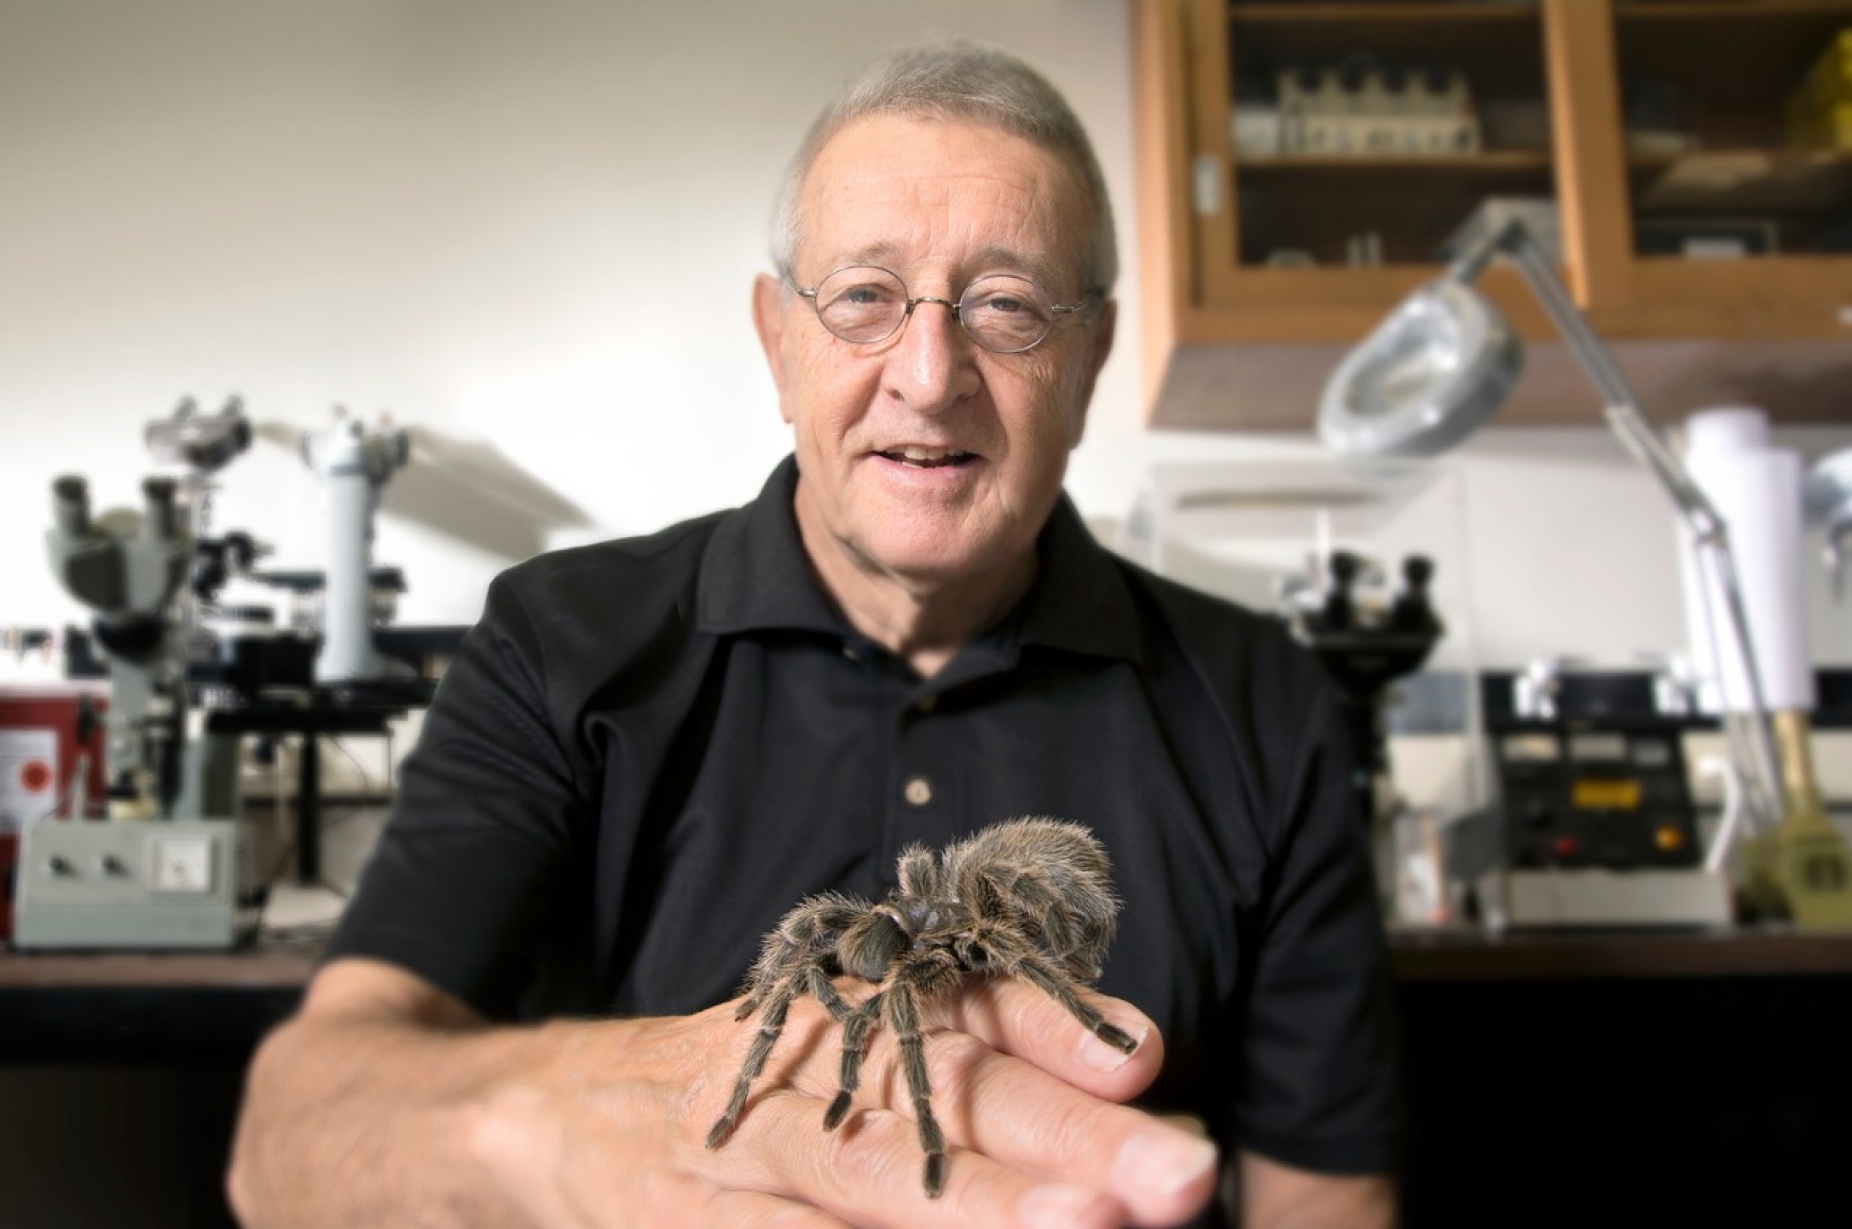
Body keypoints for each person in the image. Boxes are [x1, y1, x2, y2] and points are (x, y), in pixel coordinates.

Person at [227, 39, 1400, 1229]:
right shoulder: (560, 642)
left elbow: (1326, 1190)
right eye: (862, 298)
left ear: (1088, 358)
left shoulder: (1260, 700)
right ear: (777, 338)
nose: (929, 376)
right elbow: (294, 1133)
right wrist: (571, 1109)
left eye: (1005, 306)